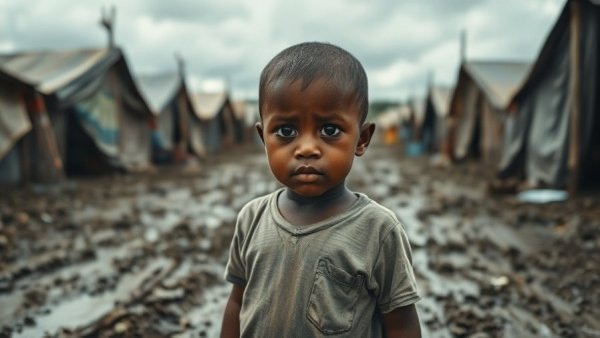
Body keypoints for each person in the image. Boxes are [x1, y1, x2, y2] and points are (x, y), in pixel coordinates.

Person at [220, 41, 421, 337]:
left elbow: (401, 322)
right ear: (264, 138)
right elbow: (237, 303)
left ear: (362, 139)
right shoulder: (252, 219)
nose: (307, 148)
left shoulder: (378, 230)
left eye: (330, 130)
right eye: (286, 131)